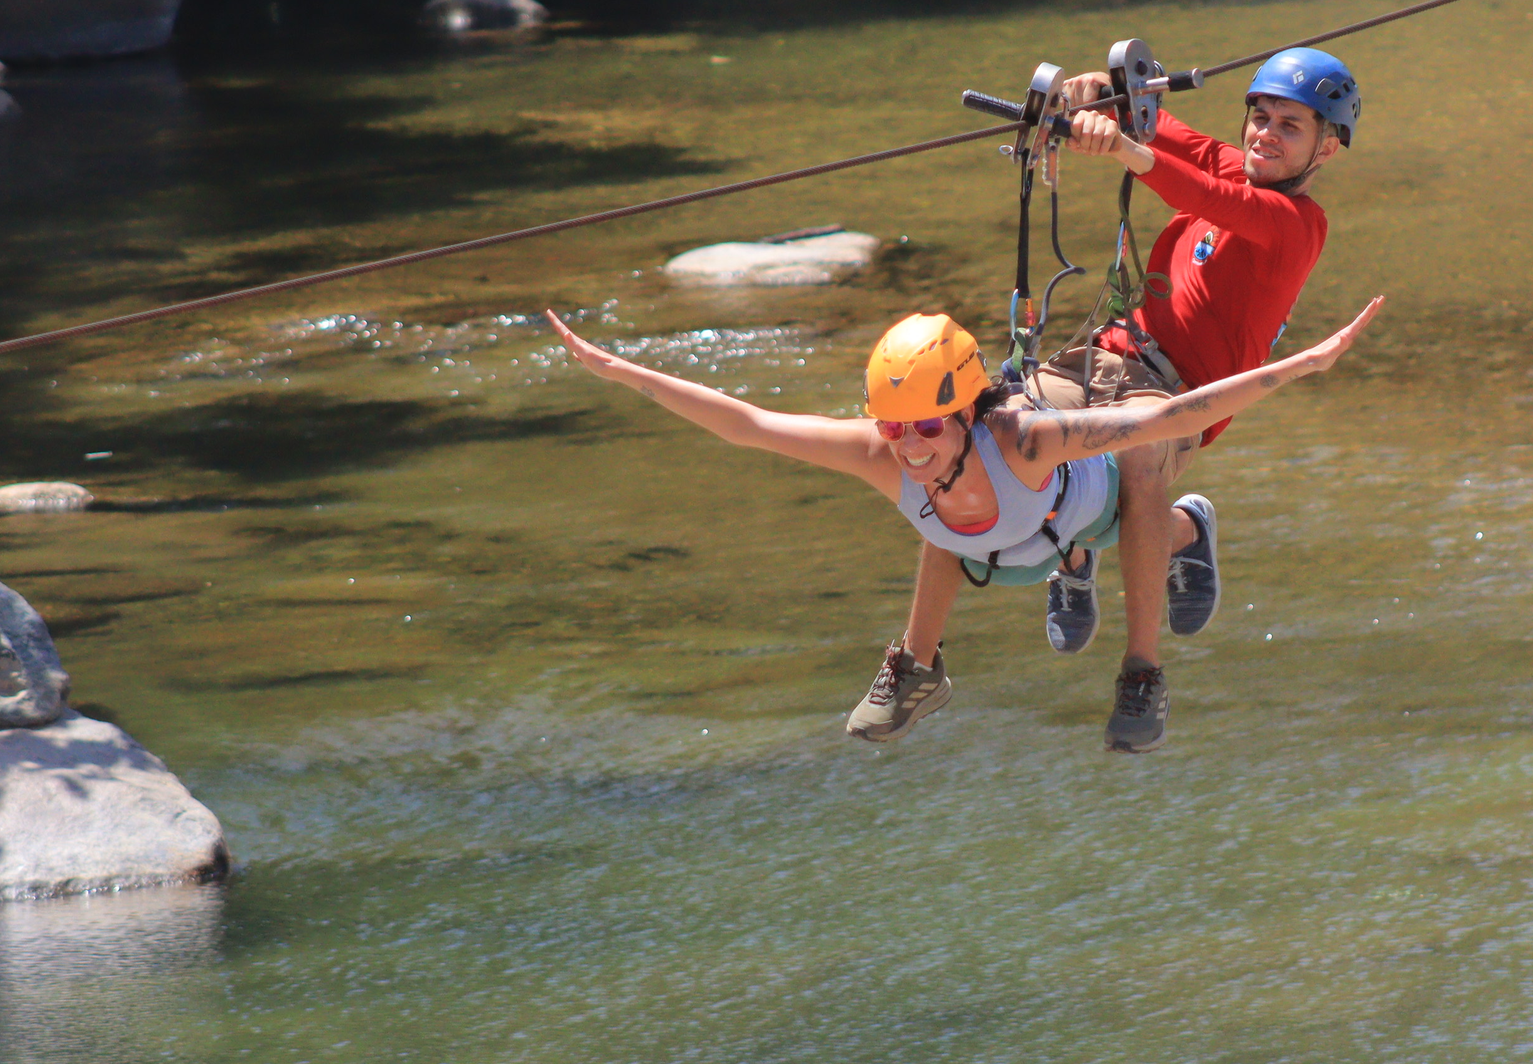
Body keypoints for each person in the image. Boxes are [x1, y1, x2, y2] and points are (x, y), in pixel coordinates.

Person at [546, 295, 1383, 752]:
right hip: (1002, 558)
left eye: (928, 426)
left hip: (1077, 515)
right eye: (894, 427)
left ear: (964, 409)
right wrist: (620, 370)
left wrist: (1299, 365)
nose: (907, 446)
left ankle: (1142, 664)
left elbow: (1177, 417)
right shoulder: (882, 452)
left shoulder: (1024, 440)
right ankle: (918, 669)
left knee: (1140, 470)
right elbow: (749, 424)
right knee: (934, 519)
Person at [1030, 46, 1361, 726]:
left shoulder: (1298, 226)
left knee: (1137, 454)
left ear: (1325, 151)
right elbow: (1157, 122)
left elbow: (1201, 194)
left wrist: (1123, 148)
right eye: (1259, 116)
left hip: (1181, 396)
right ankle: (1079, 550)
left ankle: (1142, 670)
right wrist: (1098, 93)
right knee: (1009, 415)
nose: (1265, 133)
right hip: (1114, 354)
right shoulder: (1230, 161)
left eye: (1289, 126)